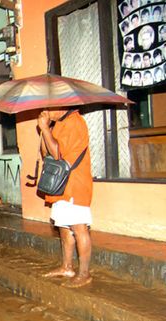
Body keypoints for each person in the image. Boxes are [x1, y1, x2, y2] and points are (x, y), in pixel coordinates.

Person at [38, 108, 93, 288]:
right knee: (63, 227)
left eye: (48, 107)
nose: (46, 111)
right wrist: (44, 130)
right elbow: (46, 152)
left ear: (61, 106)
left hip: (75, 184)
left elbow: (58, 155)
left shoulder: (75, 123)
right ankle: (67, 267)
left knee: (79, 228)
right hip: (61, 185)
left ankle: (84, 273)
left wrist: (45, 129)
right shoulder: (59, 124)